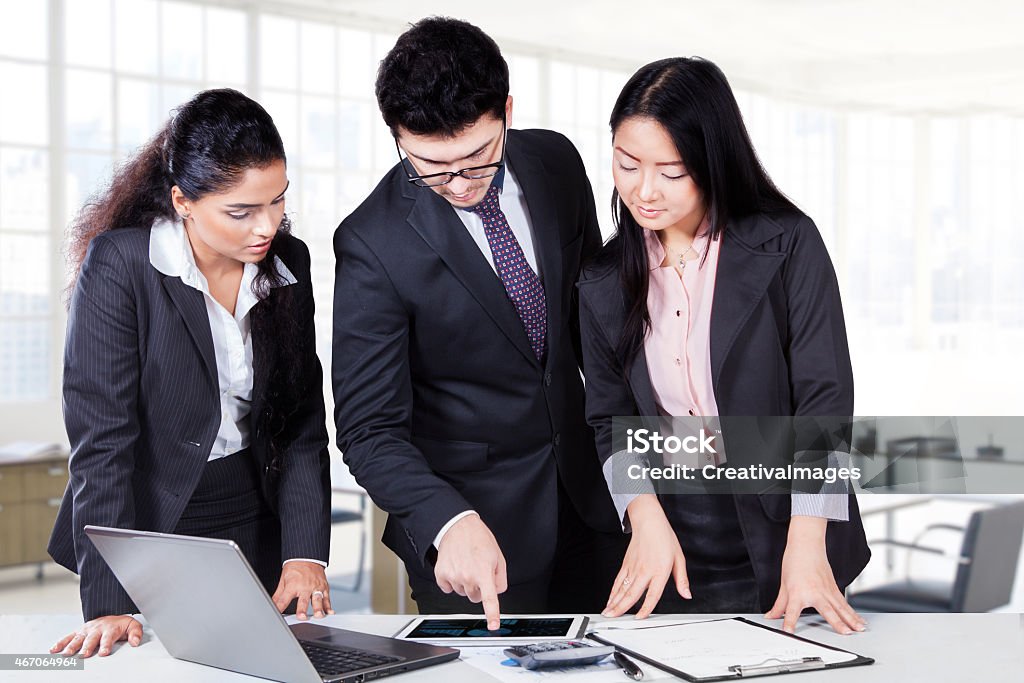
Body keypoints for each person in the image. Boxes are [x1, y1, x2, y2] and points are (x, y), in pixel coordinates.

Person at [332, 17, 625, 628]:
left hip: (593, 502)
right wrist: (447, 519)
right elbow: (369, 428)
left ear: (507, 112)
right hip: (474, 534)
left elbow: (598, 329)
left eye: (478, 158)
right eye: (432, 167)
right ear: (396, 135)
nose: (459, 184)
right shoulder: (372, 242)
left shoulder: (557, 163)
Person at [577, 57, 871, 634]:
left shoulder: (787, 243)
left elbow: (824, 400)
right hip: (671, 532)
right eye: (627, 163)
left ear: (714, 162)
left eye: (672, 171)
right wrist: (643, 515)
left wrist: (808, 536)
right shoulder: (602, 279)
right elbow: (608, 420)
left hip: (788, 523)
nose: (644, 190)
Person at [47, 89, 332, 658]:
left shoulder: (288, 262)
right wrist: (107, 601)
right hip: (154, 525)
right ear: (182, 200)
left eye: (277, 202)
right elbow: (103, 442)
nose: (266, 226)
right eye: (241, 211)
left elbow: (298, 421)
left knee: (270, 664)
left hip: (257, 512)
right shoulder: (123, 265)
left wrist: (305, 553)